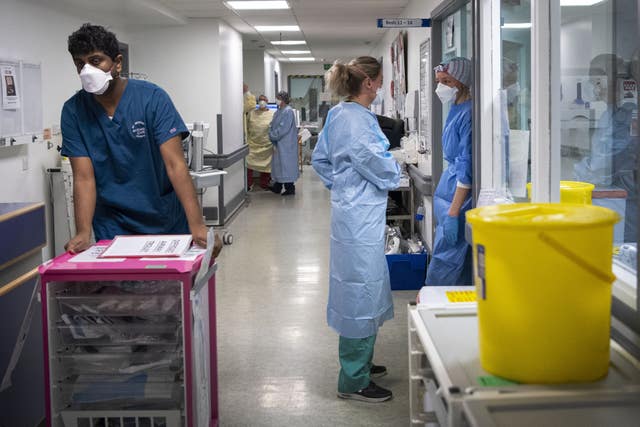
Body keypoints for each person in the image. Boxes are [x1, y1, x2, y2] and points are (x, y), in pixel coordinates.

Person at [61, 23, 222, 256]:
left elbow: (175, 165)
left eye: (95, 61)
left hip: (163, 216)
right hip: (112, 222)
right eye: (80, 63)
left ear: (117, 63)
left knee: (170, 287)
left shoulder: (152, 99)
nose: (87, 70)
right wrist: (83, 232)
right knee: (122, 289)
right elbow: (83, 178)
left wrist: (197, 225)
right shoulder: (73, 111)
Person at [312, 56, 401, 403]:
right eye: (379, 82)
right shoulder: (358, 121)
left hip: (354, 211)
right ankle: (353, 380)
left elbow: (321, 159)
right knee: (360, 289)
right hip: (360, 214)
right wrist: (394, 171)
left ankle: (362, 361)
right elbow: (372, 160)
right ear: (368, 83)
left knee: (366, 283)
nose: (380, 87)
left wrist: (344, 186)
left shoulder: (339, 114)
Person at [425, 57, 473, 286]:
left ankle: (436, 307)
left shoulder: (470, 113)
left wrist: (454, 212)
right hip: (448, 190)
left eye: (446, 81)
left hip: (459, 198)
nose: (440, 87)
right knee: (449, 258)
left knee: (447, 260)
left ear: (462, 82)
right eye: (438, 81)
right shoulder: (456, 108)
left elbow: (466, 165)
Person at [269, 91, 299, 195]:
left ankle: (290, 188)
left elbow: (283, 128)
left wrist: (273, 135)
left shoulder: (288, 111)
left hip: (286, 144)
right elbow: (273, 124)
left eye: (278, 98)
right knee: (279, 165)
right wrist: (271, 131)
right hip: (278, 143)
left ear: (283, 99)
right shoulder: (278, 111)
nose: (276, 100)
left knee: (286, 165)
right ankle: (278, 186)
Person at [246, 94, 274, 190]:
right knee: (248, 163)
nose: (262, 101)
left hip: (267, 144)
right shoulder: (252, 113)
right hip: (253, 144)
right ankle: (248, 184)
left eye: (264, 100)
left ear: (267, 101)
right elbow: (247, 127)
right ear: (258, 102)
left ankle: (264, 183)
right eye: (260, 100)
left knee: (266, 166)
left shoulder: (272, 114)